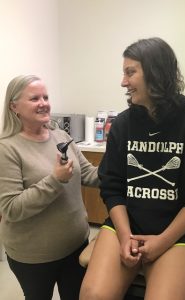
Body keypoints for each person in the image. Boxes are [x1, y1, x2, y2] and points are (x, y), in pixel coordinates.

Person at [79, 37, 185, 300]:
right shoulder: (122, 125)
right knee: (93, 295)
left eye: (130, 72)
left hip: (178, 234)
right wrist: (124, 236)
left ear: (156, 73)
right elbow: (112, 187)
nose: (123, 82)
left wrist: (164, 241)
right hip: (125, 226)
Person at [0, 75, 99, 300]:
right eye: (35, 98)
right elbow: (11, 209)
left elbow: (89, 174)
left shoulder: (60, 136)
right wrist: (55, 180)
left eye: (46, 96)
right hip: (35, 257)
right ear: (14, 106)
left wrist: (120, 170)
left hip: (76, 246)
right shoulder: (7, 149)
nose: (44, 102)